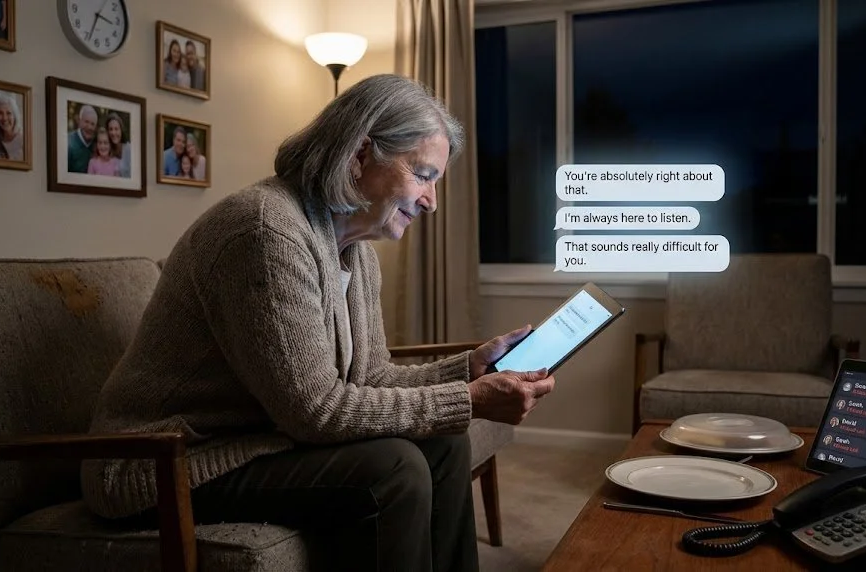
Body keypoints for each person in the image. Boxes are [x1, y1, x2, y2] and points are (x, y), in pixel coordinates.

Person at [80, 74, 556, 572]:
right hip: (160, 463)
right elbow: (314, 412)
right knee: (394, 469)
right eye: (423, 174)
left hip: (252, 439)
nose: (431, 200)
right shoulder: (265, 232)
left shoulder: (354, 249)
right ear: (359, 155)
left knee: (443, 442)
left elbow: (370, 379)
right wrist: (468, 399)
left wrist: (468, 369)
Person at [0, 94, 23, 161]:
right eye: (0, 113)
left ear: (14, 116)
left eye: (8, 113)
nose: (4, 118)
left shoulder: (23, 140)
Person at [68, 104, 98, 173]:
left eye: (92, 124)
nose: (89, 127)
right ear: (79, 121)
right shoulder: (69, 143)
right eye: (86, 122)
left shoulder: (97, 144)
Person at [105, 113, 131, 178]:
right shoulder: (106, 150)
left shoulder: (129, 149)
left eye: (116, 129)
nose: (113, 133)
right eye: (110, 129)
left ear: (121, 130)